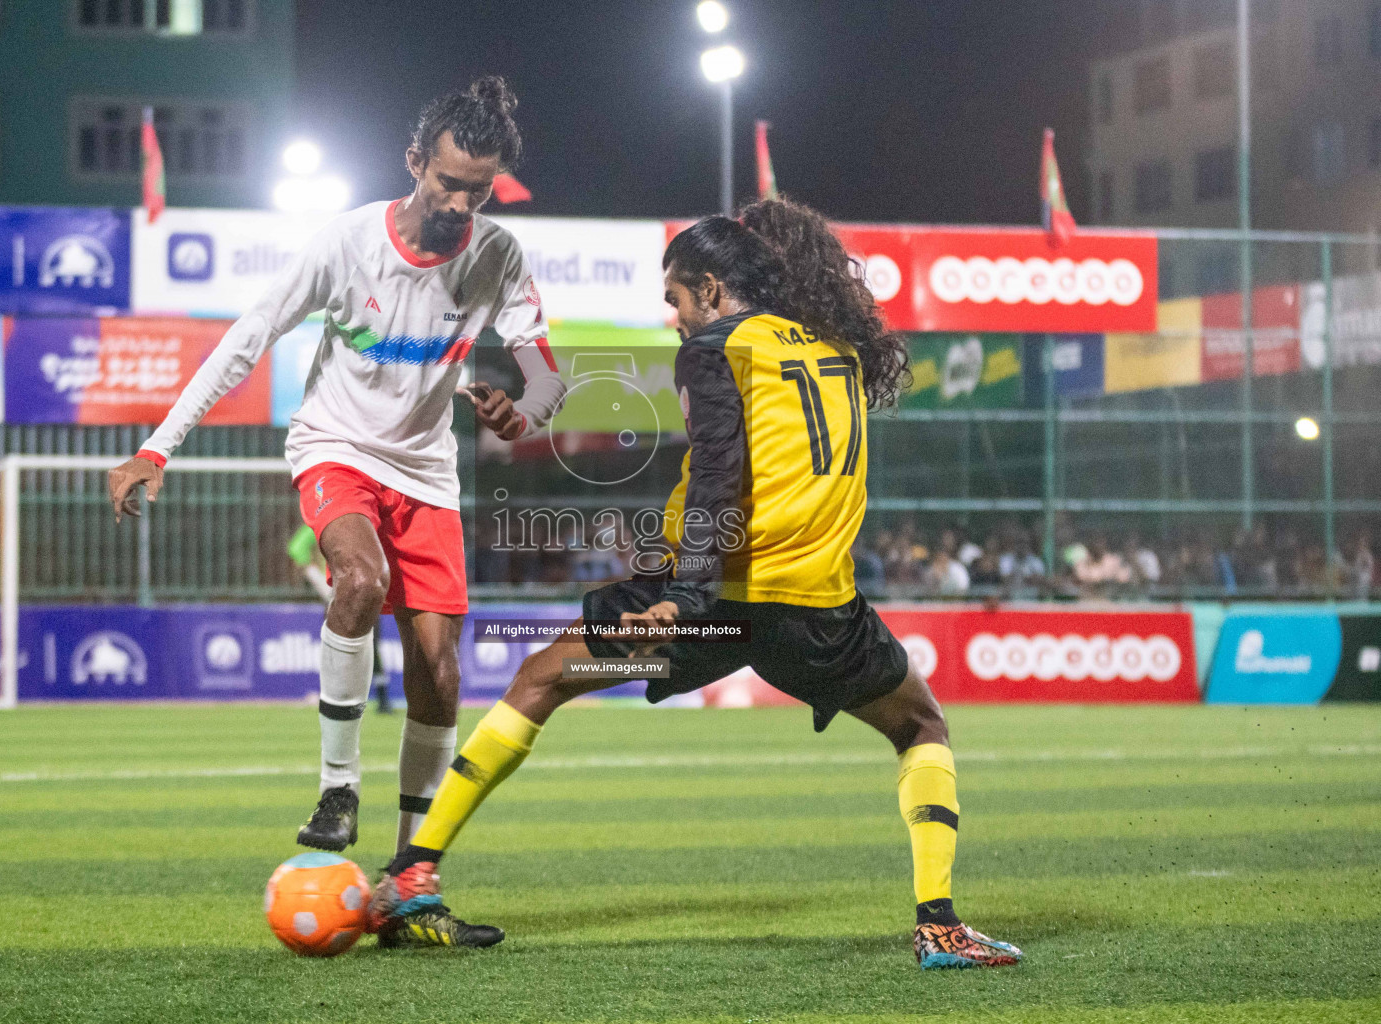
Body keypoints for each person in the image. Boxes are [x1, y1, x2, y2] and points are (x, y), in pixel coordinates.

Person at [369, 201, 1023, 969]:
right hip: (819, 610)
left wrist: (686, 593)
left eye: (677, 299)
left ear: (711, 289)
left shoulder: (716, 348)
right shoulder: (837, 348)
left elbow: (718, 473)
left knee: (538, 680)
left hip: (714, 600)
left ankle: (414, 875)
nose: (674, 318)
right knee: (921, 730)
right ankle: (939, 926)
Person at [108, 78, 565, 906]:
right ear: (414, 162)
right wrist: (156, 447)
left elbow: (542, 372)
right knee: (359, 580)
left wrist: (520, 408)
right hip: (336, 447)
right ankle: (336, 788)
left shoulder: (496, 253)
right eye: (447, 182)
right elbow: (248, 339)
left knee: (440, 674)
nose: (461, 202)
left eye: (479, 188)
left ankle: (410, 878)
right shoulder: (346, 243)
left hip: (426, 471)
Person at [289, 525, 392, 715]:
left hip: (338, 597)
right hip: (364, 593)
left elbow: (296, 549)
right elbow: (296, 548)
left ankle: (341, 702)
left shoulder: (323, 519)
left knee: (341, 650)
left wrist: (323, 587)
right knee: (370, 647)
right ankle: (382, 700)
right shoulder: (367, 521)